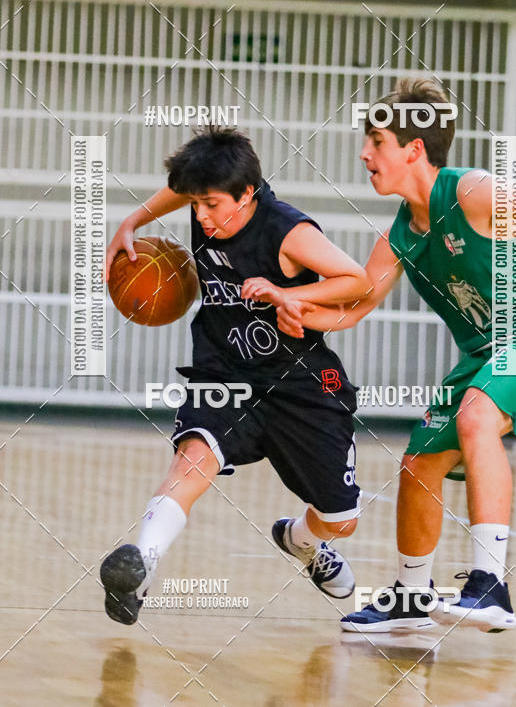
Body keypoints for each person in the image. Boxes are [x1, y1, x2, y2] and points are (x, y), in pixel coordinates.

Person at [276, 76, 516, 633]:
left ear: (413, 148)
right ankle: (410, 597)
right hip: (487, 354)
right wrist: (290, 307)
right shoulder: (401, 234)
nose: (364, 154)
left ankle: (491, 586)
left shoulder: (470, 193)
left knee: (476, 414)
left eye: (375, 142)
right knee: (418, 465)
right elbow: (353, 308)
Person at [100, 128, 368, 625]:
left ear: (247, 194)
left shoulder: (287, 231)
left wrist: (294, 297)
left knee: (341, 519)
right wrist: (132, 221)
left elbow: (357, 280)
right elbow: (183, 188)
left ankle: (303, 542)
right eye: (195, 205)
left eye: (211, 205)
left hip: (301, 382)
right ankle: (141, 567)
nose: (200, 217)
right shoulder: (212, 201)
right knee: (193, 460)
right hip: (224, 371)